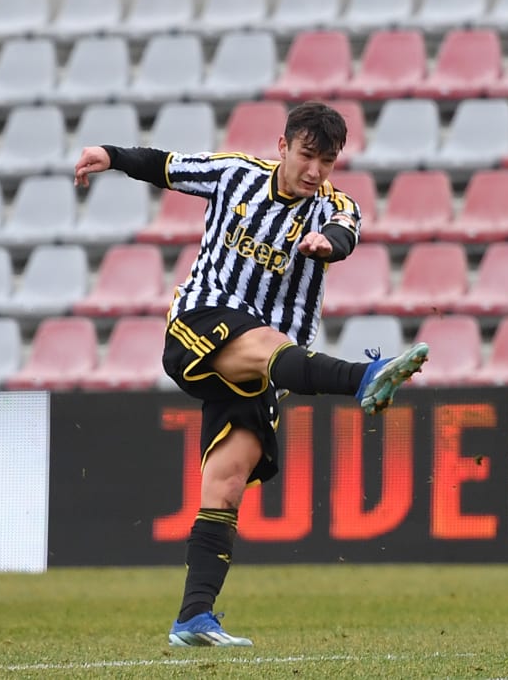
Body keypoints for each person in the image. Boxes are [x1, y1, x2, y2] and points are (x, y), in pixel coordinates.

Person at [73, 101, 429, 648]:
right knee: (267, 345)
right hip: (202, 324)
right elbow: (166, 165)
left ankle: (193, 618)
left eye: (328, 161)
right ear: (283, 147)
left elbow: (345, 234)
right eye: (307, 155)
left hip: (264, 368)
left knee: (226, 485)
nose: (315, 171)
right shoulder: (234, 175)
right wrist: (111, 155)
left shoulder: (335, 207)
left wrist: (324, 244)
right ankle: (364, 377)